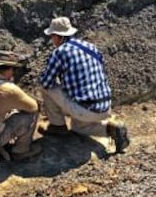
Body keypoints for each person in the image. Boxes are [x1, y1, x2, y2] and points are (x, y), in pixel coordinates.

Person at [38, 17, 129, 153]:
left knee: (44, 87)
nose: (52, 40)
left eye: (52, 36)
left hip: (85, 109)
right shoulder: (91, 47)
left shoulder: (60, 52)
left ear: (57, 36)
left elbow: (46, 82)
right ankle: (113, 129)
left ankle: (57, 126)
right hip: (104, 107)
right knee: (78, 128)